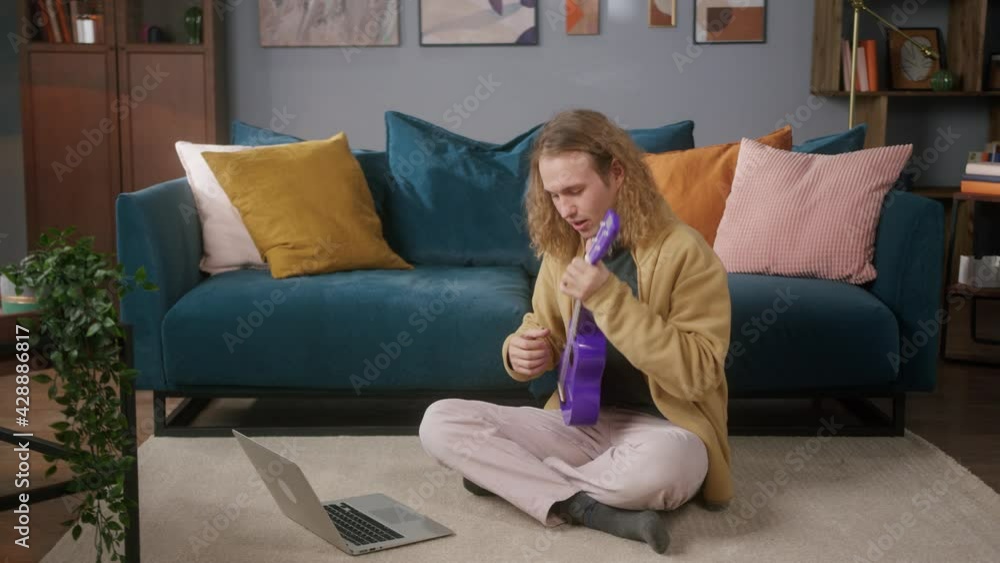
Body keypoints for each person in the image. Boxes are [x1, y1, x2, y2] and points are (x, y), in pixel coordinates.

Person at [418, 109, 732, 554]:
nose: (564, 208)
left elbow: (699, 373)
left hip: (664, 429)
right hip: (579, 424)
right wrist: (521, 351)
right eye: (553, 195)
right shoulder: (565, 249)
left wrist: (609, 297)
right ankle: (588, 507)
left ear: (617, 173)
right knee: (440, 422)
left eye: (575, 191)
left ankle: (519, 480)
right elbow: (539, 325)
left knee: (665, 470)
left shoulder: (685, 252)